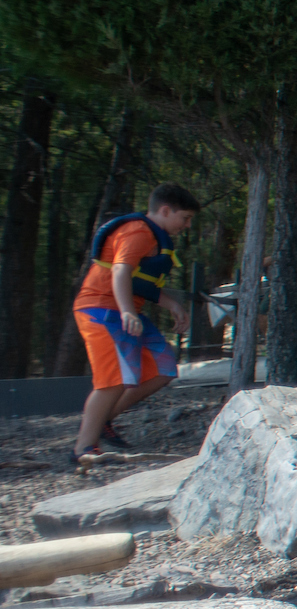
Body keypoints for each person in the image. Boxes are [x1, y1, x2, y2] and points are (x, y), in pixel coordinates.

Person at [71, 184, 199, 461]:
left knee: (163, 367)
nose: (187, 225)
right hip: (101, 309)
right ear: (165, 211)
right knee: (112, 380)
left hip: (126, 312)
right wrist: (128, 312)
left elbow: (142, 282)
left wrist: (172, 304)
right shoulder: (138, 232)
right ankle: (83, 448)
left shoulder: (155, 236)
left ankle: (104, 420)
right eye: (185, 218)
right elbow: (120, 271)